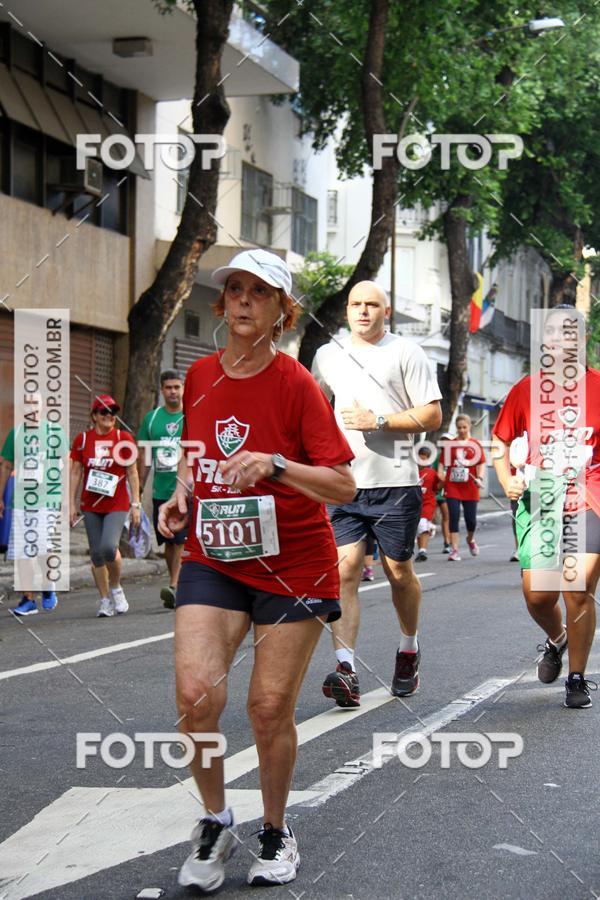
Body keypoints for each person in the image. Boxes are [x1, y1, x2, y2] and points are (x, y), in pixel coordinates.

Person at [158, 249, 355, 891]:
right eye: (234, 290)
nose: (243, 300)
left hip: (293, 565)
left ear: (281, 310)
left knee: (268, 708)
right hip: (215, 557)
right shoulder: (199, 377)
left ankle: (276, 829)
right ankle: (216, 820)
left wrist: (276, 465)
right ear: (221, 304)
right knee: (196, 698)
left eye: (259, 293)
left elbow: (344, 485)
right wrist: (183, 491)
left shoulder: (297, 384)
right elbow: (197, 450)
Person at [312, 281, 442, 708]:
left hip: (396, 483)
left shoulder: (406, 352)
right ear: (346, 311)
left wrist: (379, 420)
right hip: (344, 482)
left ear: (386, 310)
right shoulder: (327, 354)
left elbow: (432, 413)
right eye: (355, 304)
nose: (363, 311)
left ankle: (409, 648)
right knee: (345, 569)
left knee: (398, 572)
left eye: (372, 305)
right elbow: (311, 408)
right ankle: (345, 668)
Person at [493, 304, 600, 709]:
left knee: (577, 587)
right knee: (539, 595)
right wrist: (507, 480)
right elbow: (501, 443)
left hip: (588, 494)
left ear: (582, 339)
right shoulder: (526, 390)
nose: (559, 339)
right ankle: (557, 639)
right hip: (541, 499)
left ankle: (576, 678)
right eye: (552, 332)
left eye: (569, 332)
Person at [70, 394, 141, 617]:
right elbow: (75, 472)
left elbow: (132, 471)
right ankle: (104, 600)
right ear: (93, 416)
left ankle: (116, 587)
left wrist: (136, 503)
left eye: (112, 412)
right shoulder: (82, 440)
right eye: (104, 412)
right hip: (90, 504)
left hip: (116, 503)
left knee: (109, 547)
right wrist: (70, 504)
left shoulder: (123, 438)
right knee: (96, 555)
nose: (109, 416)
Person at [0, 394, 69, 615]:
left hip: (48, 500)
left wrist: (67, 498)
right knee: (22, 552)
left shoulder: (55, 432)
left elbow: (69, 465)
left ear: (42, 406)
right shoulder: (16, 433)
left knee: (42, 548)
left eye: (35, 403)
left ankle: (48, 585)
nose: (31, 407)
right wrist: (0, 497)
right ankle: (28, 599)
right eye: (27, 403)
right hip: (20, 502)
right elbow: (5, 466)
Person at [137, 369, 186, 609]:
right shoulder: (152, 419)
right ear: (162, 389)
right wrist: (138, 489)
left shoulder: (191, 415)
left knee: (180, 540)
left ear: (183, 388)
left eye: (177, 387)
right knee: (168, 541)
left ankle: (176, 585)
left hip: (187, 490)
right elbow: (145, 457)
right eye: (169, 387)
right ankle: (175, 581)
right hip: (160, 491)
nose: (173, 392)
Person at [438, 414, 485, 561]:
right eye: (459, 428)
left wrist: (480, 477)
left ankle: (470, 539)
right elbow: (441, 463)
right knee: (454, 516)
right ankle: (454, 550)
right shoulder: (450, 444)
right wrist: (440, 473)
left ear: (469, 426)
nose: (462, 430)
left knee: (471, 520)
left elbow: (481, 463)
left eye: (464, 427)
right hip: (453, 486)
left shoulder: (475, 444)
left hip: (470, 486)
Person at [415, 446, 441, 562]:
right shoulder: (412, 472)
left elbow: (437, 487)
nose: (421, 461)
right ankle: (420, 549)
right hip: (414, 504)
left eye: (424, 459)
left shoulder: (431, 473)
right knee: (418, 527)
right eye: (420, 458)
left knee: (423, 524)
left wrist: (443, 481)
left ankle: (423, 550)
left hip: (427, 504)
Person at [435, 432, 453, 553]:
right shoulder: (438, 457)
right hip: (440, 491)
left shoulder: (456, 455)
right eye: (443, 441)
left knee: (450, 517)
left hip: (453, 490)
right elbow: (435, 473)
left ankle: (450, 541)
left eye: (448, 441)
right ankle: (447, 542)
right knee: (445, 517)